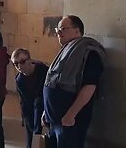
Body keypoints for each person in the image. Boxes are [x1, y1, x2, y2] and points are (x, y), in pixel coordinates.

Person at [42, 15, 105, 148]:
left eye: (62, 29)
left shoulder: (89, 52)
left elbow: (90, 86)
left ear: (77, 30)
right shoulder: (66, 51)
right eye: (57, 29)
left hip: (69, 120)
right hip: (54, 119)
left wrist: (71, 115)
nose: (58, 32)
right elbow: (52, 82)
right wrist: (46, 111)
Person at [11, 48, 48, 148]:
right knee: (31, 135)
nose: (19, 66)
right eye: (16, 63)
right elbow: (25, 102)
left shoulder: (42, 70)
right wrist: (27, 120)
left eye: (22, 62)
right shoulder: (20, 80)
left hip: (47, 105)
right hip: (32, 108)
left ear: (29, 60)